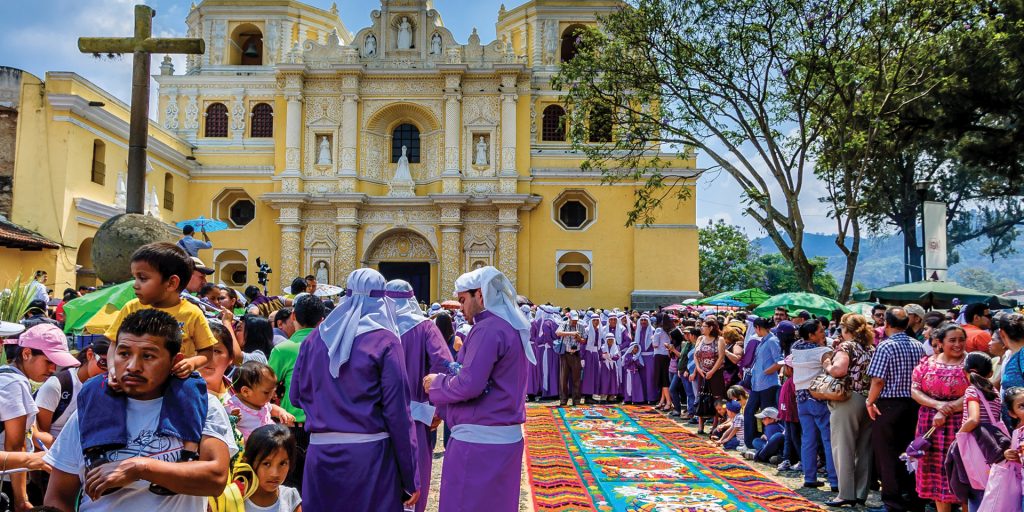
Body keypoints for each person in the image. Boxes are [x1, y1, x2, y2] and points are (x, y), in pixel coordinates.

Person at [43, 309, 235, 511]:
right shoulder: (91, 410)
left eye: (148, 356)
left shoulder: (202, 406)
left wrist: (140, 468)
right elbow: (58, 496)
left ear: (175, 361)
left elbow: (216, 478)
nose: (133, 366)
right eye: (124, 353)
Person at [290, 269, 418, 512]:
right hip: (369, 459)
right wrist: (410, 477)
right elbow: (398, 414)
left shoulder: (315, 339)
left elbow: (295, 397)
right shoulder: (386, 342)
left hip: (320, 456)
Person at [423, 266, 536, 512]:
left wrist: (436, 384)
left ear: (481, 295)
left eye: (463, 300)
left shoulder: (488, 328)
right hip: (503, 439)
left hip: (479, 442)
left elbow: (470, 384)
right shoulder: (508, 327)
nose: (461, 308)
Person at [384, 279, 453, 512]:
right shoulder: (425, 328)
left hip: (375, 418)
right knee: (414, 478)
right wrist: (437, 408)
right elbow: (445, 368)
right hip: (415, 416)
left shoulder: (371, 328)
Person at [2, 324, 78, 509]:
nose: (53, 369)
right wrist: (21, 499)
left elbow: (31, 433)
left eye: (56, 363)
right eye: (48, 361)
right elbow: (15, 444)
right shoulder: (15, 384)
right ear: (26, 353)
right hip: (6, 479)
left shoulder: (6, 375)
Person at [865, 307, 926, 512]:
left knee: (887, 454)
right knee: (910, 451)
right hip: (914, 404)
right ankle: (913, 497)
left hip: (889, 404)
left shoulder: (885, 346)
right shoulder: (918, 346)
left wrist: (869, 401)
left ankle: (892, 501)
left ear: (887, 324)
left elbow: (878, 379)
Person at [267, 295, 326, 490]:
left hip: (291, 425)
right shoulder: (331, 348)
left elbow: (267, 387)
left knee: (291, 486)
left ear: (293, 316)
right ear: (322, 320)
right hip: (325, 427)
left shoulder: (282, 350)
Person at [911, 324, 968, 512]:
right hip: (930, 424)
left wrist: (944, 411)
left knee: (962, 472)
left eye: (961, 340)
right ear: (940, 343)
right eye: (952, 340)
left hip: (961, 424)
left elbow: (974, 393)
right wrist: (937, 405)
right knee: (935, 474)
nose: (958, 344)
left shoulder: (970, 363)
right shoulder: (927, 363)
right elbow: (914, 390)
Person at [823, 313, 875, 508]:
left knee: (843, 447)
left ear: (846, 329)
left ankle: (846, 494)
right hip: (868, 399)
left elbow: (839, 370)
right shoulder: (870, 348)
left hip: (847, 398)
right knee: (864, 448)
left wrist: (827, 364)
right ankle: (861, 492)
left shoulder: (846, 346)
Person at [34, 338, 110, 448]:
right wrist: (68, 451)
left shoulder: (106, 387)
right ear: (90, 355)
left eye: (114, 368)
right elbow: (38, 437)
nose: (107, 372)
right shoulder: (58, 385)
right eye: (104, 363)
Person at [791, 319, 838, 491]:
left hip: (800, 397)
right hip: (818, 397)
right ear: (811, 335)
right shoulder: (823, 351)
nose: (823, 332)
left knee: (808, 439)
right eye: (819, 331)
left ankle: (809, 477)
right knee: (828, 439)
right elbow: (830, 368)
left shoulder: (795, 348)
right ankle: (835, 481)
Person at [956, 352, 1001, 511]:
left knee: (976, 491)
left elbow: (974, 419)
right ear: (990, 373)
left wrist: (960, 434)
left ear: (967, 371)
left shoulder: (972, 391)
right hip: (992, 447)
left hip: (975, 445)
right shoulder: (994, 392)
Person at [225, 362, 295, 441]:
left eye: (273, 391)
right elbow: (225, 427)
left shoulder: (261, 403)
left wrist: (281, 412)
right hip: (252, 449)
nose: (272, 396)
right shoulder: (233, 406)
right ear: (246, 391)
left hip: (270, 442)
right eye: (266, 392)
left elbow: (271, 408)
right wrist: (232, 419)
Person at [242, 424, 302, 512]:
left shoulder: (290, 497)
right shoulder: (233, 496)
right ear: (248, 462)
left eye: (282, 463)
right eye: (266, 464)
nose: (275, 474)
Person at [745, 317, 781, 450]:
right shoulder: (763, 341)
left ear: (758, 327)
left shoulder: (772, 340)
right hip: (757, 384)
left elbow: (779, 361)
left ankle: (769, 444)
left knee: (768, 417)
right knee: (749, 412)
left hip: (768, 384)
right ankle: (750, 442)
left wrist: (767, 371)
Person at [694, 319, 727, 435]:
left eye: (704, 326)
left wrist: (712, 372)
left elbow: (721, 357)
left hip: (716, 373)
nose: (701, 328)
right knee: (701, 397)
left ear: (711, 328)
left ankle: (715, 423)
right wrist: (698, 369)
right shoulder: (700, 339)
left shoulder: (719, 340)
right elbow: (696, 355)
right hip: (702, 372)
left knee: (717, 398)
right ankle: (700, 424)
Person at [554, 311, 585, 407]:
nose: (575, 322)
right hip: (565, 354)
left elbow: (584, 340)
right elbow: (558, 333)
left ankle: (576, 400)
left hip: (576, 354)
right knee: (563, 378)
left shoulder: (581, 326)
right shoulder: (564, 324)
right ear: (570, 318)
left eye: (576, 320)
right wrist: (571, 333)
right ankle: (563, 399)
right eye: (573, 320)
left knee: (576, 378)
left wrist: (579, 338)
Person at [776, 355, 801, 471]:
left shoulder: (795, 380)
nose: (783, 369)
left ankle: (802, 460)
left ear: (790, 368)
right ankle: (787, 459)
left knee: (795, 438)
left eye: (785, 367)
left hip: (793, 414)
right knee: (788, 437)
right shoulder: (789, 380)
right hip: (787, 414)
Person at [651, 314, 673, 410]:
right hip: (667, 356)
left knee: (663, 380)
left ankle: (668, 401)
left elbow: (655, 345)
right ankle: (662, 401)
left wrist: (652, 339)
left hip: (659, 356)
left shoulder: (658, 330)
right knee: (664, 379)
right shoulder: (670, 330)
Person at [633, 314, 656, 403]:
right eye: (641, 320)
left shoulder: (652, 331)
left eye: (645, 320)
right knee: (641, 378)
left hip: (650, 357)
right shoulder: (638, 331)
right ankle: (642, 398)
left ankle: (652, 398)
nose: (643, 322)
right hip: (640, 356)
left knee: (650, 378)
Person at [581, 314, 603, 404]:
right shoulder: (587, 330)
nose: (596, 322)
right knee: (588, 375)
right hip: (588, 354)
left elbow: (600, 344)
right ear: (591, 321)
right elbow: (583, 344)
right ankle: (587, 396)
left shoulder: (599, 331)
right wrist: (582, 357)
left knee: (594, 375)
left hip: (595, 354)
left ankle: (591, 395)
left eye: (597, 320)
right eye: (594, 320)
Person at [598, 333, 621, 402]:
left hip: (613, 367)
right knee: (604, 381)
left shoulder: (616, 348)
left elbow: (618, 356)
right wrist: (603, 356)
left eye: (612, 340)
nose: (610, 341)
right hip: (604, 366)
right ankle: (603, 397)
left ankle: (611, 397)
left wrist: (611, 356)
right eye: (609, 340)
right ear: (606, 340)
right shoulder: (602, 347)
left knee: (613, 381)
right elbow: (599, 356)